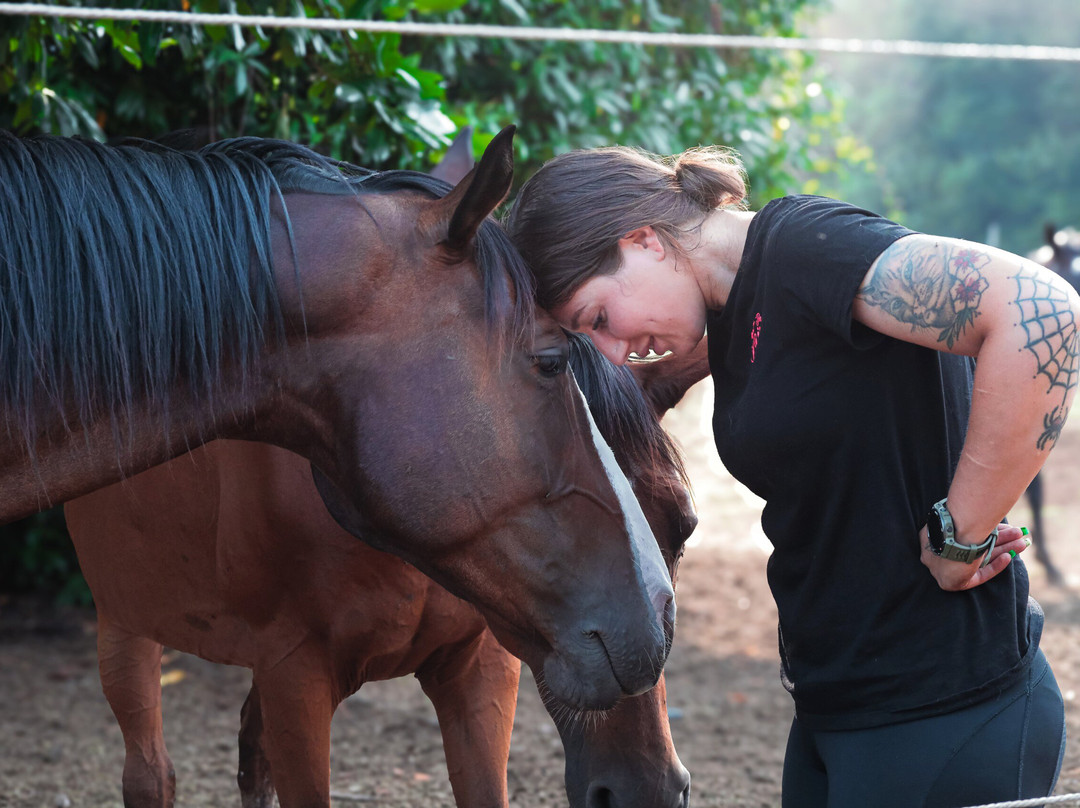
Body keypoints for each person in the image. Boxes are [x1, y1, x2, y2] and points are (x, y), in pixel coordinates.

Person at [505, 144, 1078, 808]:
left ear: (644, 240)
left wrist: (962, 535)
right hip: (835, 711)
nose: (608, 347)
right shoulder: (736, 304)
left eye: (598, 319)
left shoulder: (805, 249)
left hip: (947, 707)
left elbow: (1041, 311)